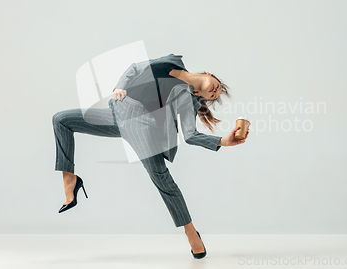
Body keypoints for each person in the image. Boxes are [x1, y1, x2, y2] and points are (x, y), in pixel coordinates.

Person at [52, 53, 249, 259]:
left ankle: (190, 230)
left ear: (201, 96)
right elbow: (135, 68)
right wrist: (120, 86)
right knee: (61, 120)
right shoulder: (173, 61)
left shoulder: (187, 99)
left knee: (163, 181)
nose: (215, 92)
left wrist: (223, 141)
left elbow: (190, 135)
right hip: (119, 114)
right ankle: (70, 180)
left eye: (213, 97)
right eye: (216, 87)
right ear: (209, 74)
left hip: (146, 133)